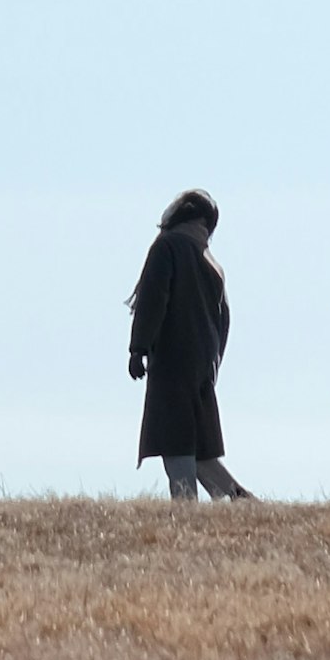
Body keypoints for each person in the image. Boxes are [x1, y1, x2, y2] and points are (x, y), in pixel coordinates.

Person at [129, 187, 257, 499]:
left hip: (171, 364)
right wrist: (211, 366)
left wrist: (138, 348)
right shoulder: (211, 263)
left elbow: (152, 299)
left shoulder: (167, 246)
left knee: (177, 444)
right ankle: (240, 502)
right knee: (200, 450)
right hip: (202, 368)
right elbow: (224, 320)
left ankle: (186, 513)